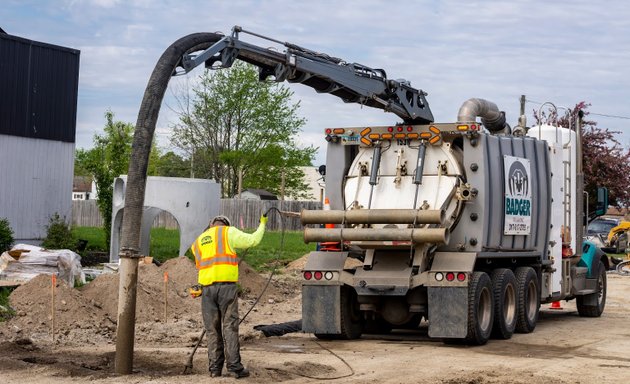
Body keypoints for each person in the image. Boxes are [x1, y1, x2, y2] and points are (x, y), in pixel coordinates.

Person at [191, 213, 268, 378]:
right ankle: (234, 367)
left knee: (212, 330)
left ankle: (214, 369)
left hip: (206, 290)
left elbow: (201, 265)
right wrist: (262, 223)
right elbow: (253, 240)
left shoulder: (199, 241)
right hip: (226, 288)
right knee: (229, 327)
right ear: (225, 224)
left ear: (212, 224)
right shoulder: (229, 232)